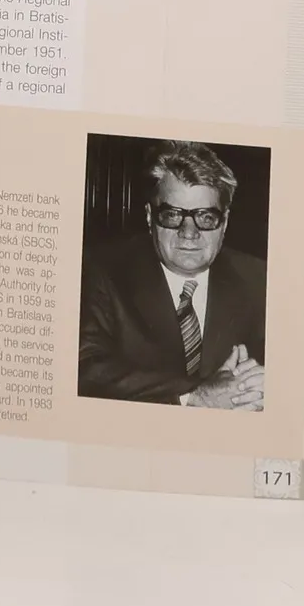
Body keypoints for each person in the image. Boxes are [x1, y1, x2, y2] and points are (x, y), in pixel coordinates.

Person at [77, 141, 267, 408]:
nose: (189, 232)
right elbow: (84, 369)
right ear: (149, 216)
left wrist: (262, 387)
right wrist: (197, 395)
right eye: (172, 215)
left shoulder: (260, 279)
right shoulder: (102, 272)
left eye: (206, 217)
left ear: (224, 222)